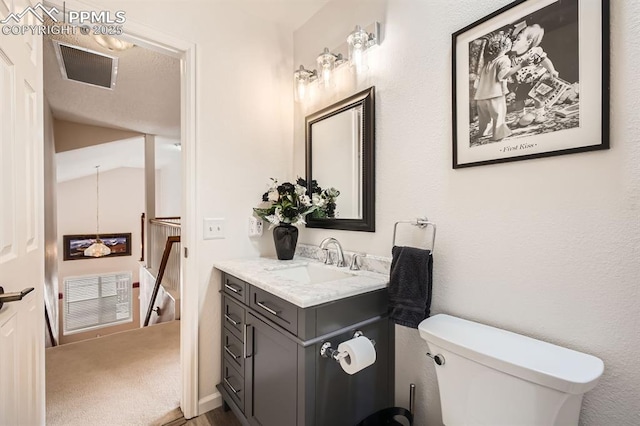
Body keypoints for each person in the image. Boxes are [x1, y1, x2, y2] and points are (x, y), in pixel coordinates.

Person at [506, 24, 559, 126]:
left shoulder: (533, 52)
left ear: (528, 42)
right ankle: (520, 116)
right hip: (523, 82)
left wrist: (552, 70)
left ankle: (539, 114)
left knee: (538, 97)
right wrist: (512, 81)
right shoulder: (513, 57)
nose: (514, 41)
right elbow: (514, 71)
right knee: (519, 99)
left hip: (537, 79)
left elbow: (544, 60)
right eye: (514, 39)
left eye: (518, 39)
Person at [473, 31, 513, 142]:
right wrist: (520, 66)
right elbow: (503, 75)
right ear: (506, 47)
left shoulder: (487, 63)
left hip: (481, 96)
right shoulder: (504, 60)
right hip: (495, 94)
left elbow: (477, 82)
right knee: (498, 114)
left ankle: (484, 132)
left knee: (484, 117)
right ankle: (499, 134)